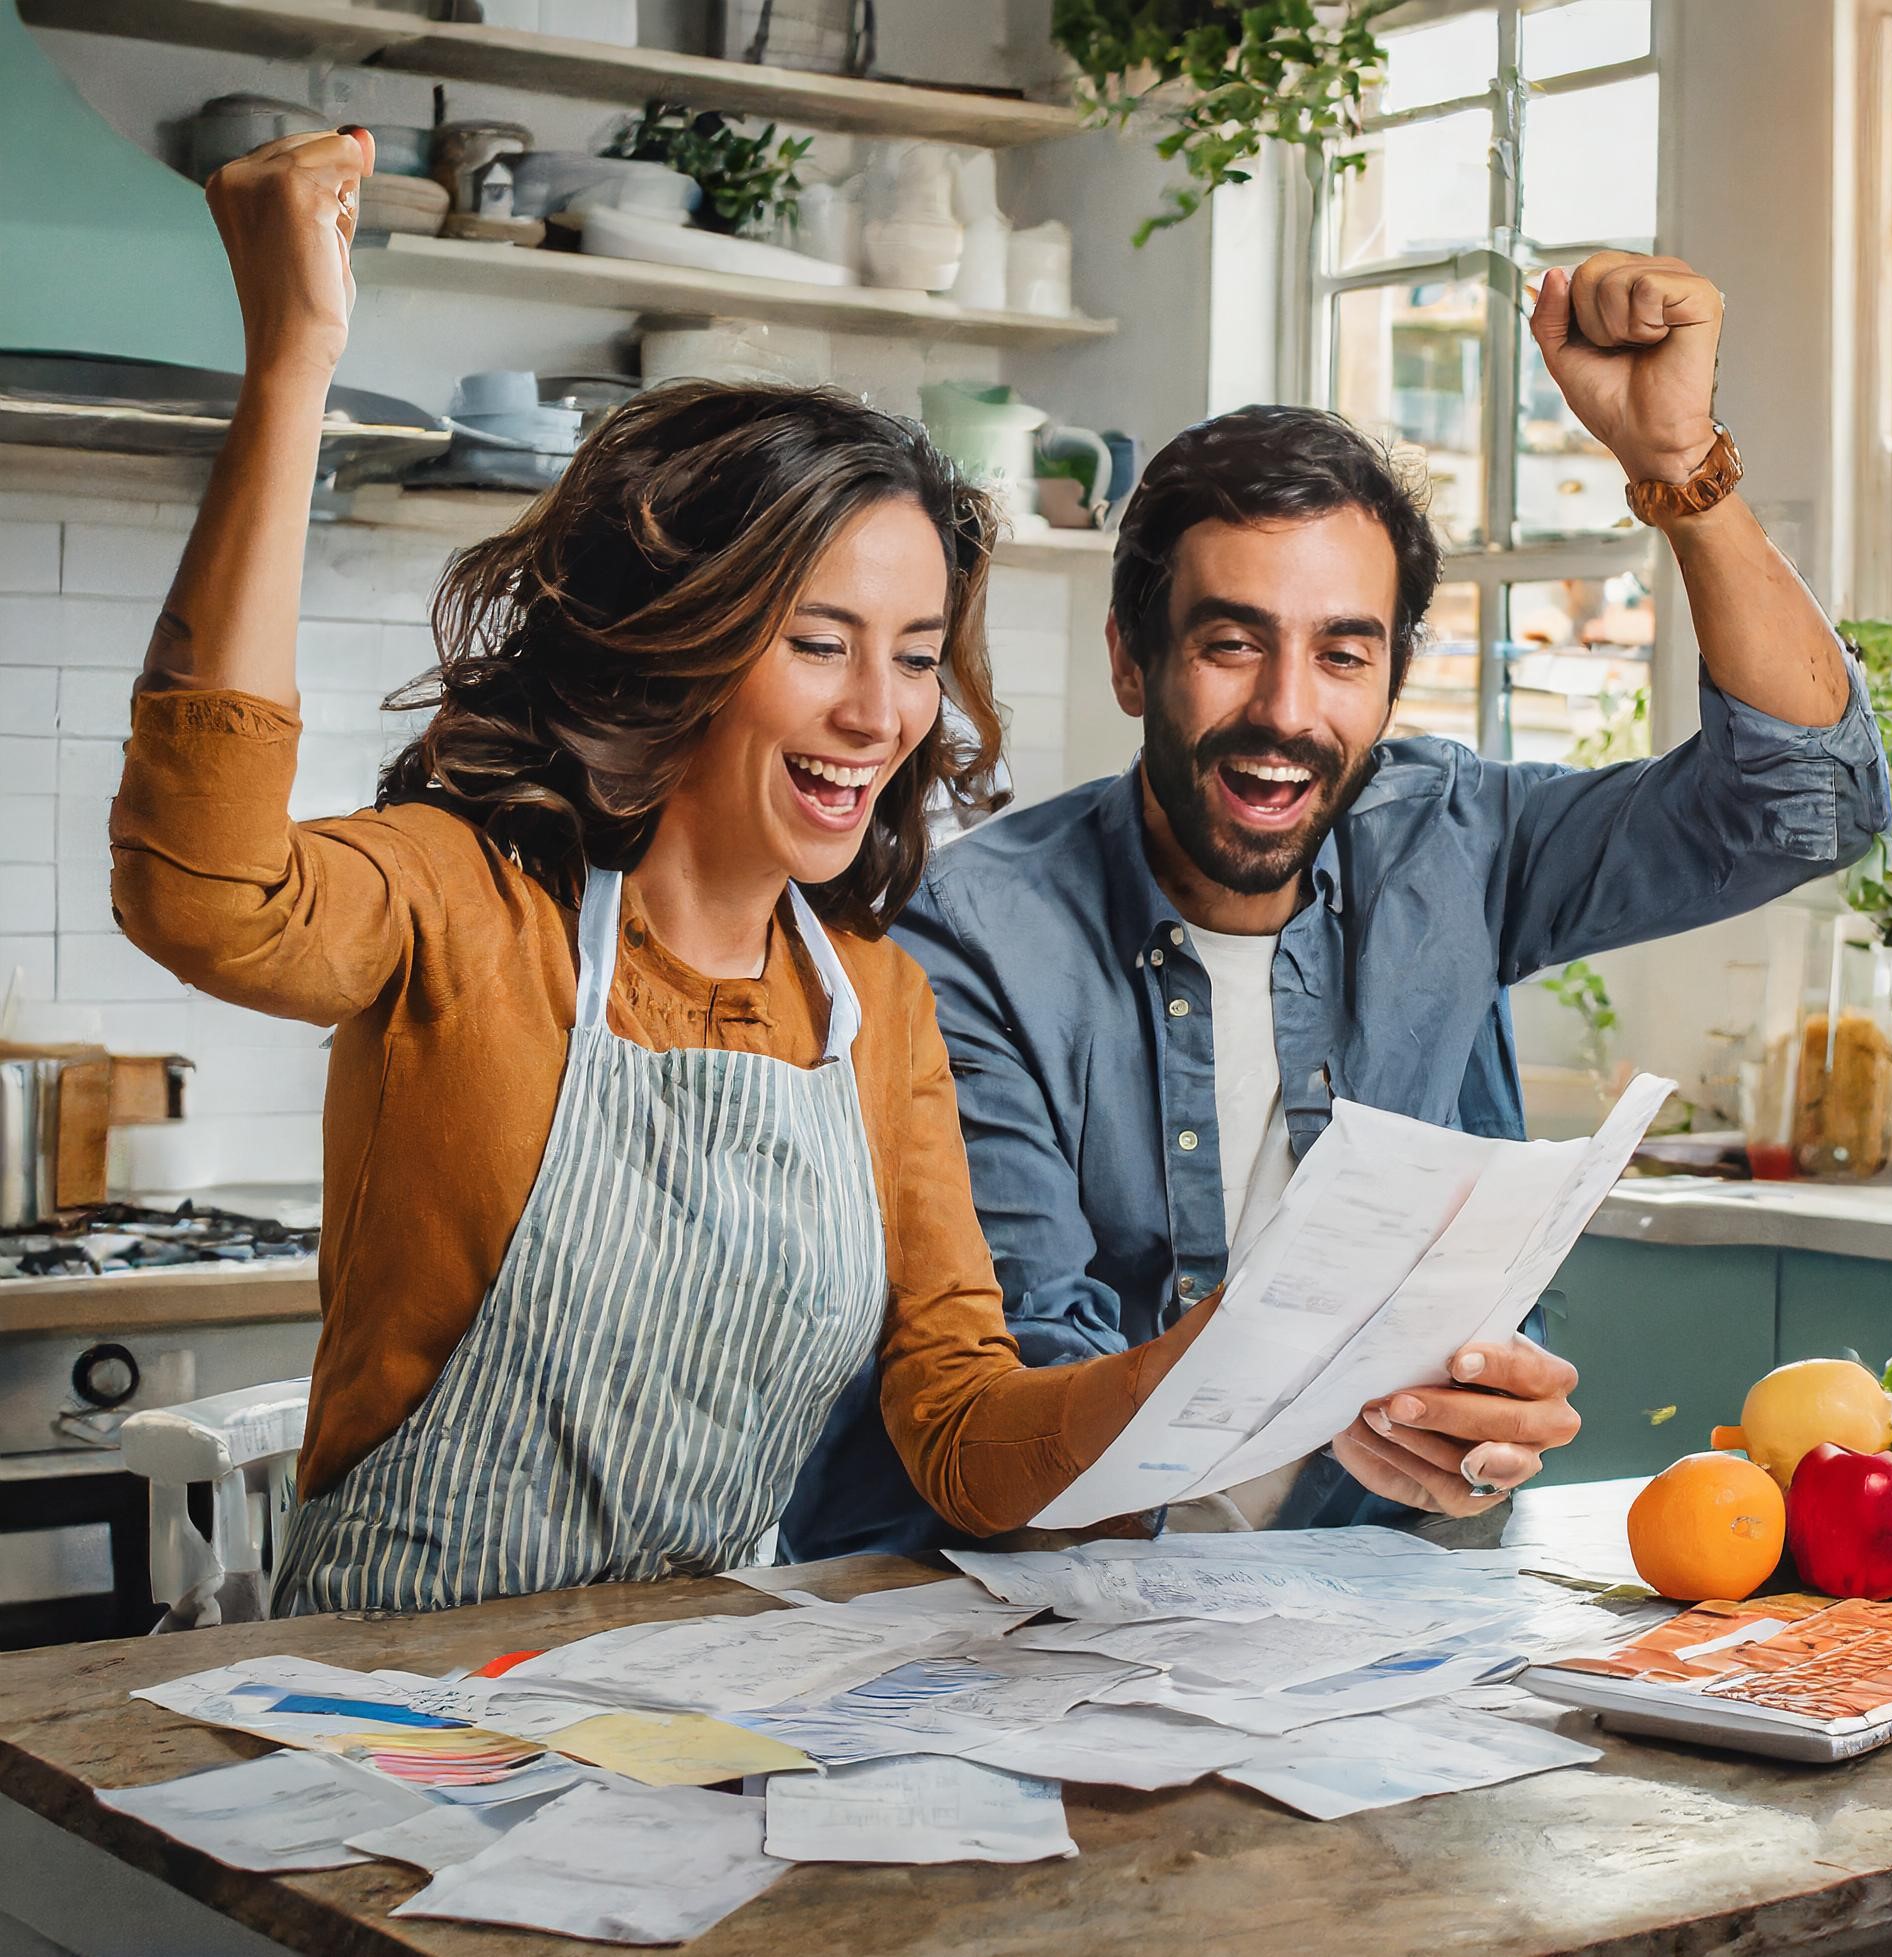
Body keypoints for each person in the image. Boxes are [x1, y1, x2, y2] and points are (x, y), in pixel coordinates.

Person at [109, 128, 1225, 1616]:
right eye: (820, 642)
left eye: (912, 657)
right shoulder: (463, 901)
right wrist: (293, 363)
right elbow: (204, 891)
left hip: (691, 1725)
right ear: (681, 642)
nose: (880, 714)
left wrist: (1207, 1369)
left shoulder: (873, 1010)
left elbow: (963, 1437)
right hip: (384, 1715)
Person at [783, 253, 1891, 1558]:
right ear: (1134, 659)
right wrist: (1328, 1378)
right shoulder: (974, 934)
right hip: (1008, 1625)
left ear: (1392, 679)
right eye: (1232, 641)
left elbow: (1807, 801)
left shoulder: (1451, 843)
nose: (1288, 713)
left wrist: (1683, 465)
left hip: (1360, 1621)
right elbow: (1023, 1413)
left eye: (1344, 654)